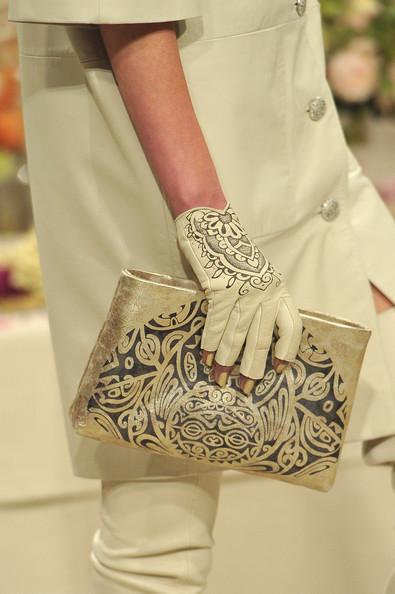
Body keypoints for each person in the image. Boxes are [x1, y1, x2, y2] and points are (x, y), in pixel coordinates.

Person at [7, 0, 395, 592]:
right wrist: (210, 230)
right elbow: (129, 13)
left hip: (306, 166)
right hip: (176, 183)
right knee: (157, 540)